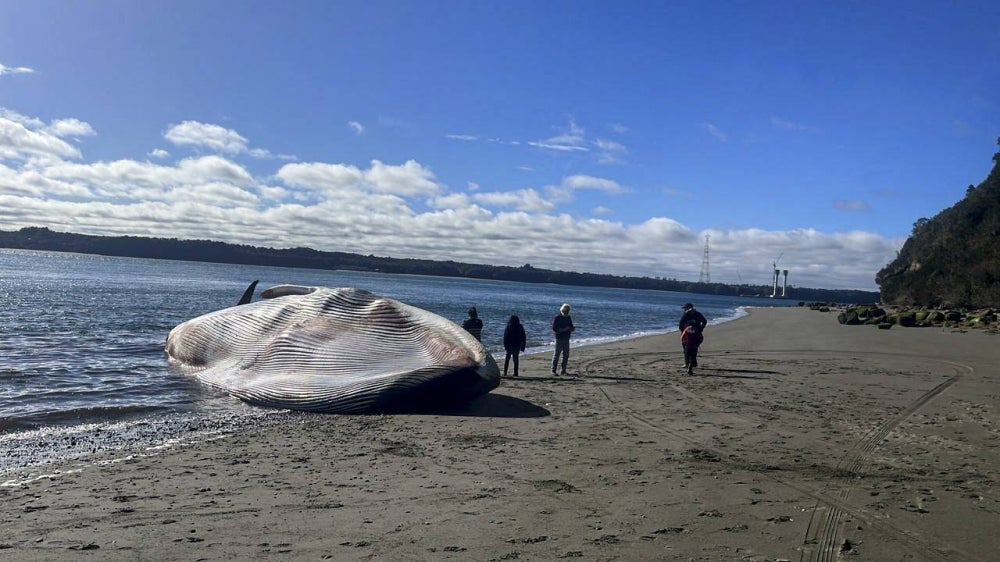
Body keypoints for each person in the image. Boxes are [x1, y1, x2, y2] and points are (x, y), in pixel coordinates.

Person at [678, 303, 707, 375]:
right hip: (696, 333)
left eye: (685, 308)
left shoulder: (686, 314)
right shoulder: (698, 314)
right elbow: (704, 321)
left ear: (688, 308)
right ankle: (692, 363)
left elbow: (680, 323)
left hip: (687, 333)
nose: (684, 309)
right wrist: (701, 329)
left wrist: (683, 330)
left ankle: (687, 363)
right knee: (694, 348)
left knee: (686, 349)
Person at [551, 303, 575, 375]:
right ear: (562, 310)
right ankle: (553, 370)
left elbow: (571, 326)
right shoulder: (557, 318)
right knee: (557, 354)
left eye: (568, 311)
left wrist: (571, 329)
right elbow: (554, 328)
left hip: (567, 338)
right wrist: (564, 329)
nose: (567, 312)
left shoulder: (568, 317)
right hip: (559, 338)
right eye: (566, 311)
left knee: (566, 355)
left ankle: (563, 370)